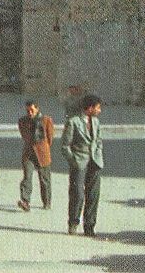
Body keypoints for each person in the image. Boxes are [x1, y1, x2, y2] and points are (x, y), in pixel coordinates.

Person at [61, 93, 103, 237]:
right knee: (77, 194)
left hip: (94, 162)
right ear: (90, 108)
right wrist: (73, 161)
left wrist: (98, 154)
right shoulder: (73, 122)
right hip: (79, 162)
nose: (99, 111)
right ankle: (73, 223)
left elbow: (98, 141)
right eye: (97, 108)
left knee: (93, 195)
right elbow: (65, 145)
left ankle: (89, 226)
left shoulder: (96, 122)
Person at [17, 100, 54, 212]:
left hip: (42, 153)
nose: (30, 112)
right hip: (29, 153)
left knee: (44, 179)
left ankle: (46, 201)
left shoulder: (46, 120)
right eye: (27, 110)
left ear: (37, 109)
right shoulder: (22, 121)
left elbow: (50, 137)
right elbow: (24, 135)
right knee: (27, 177)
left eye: (32, 110)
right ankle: (25, 201)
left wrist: (44, 148)